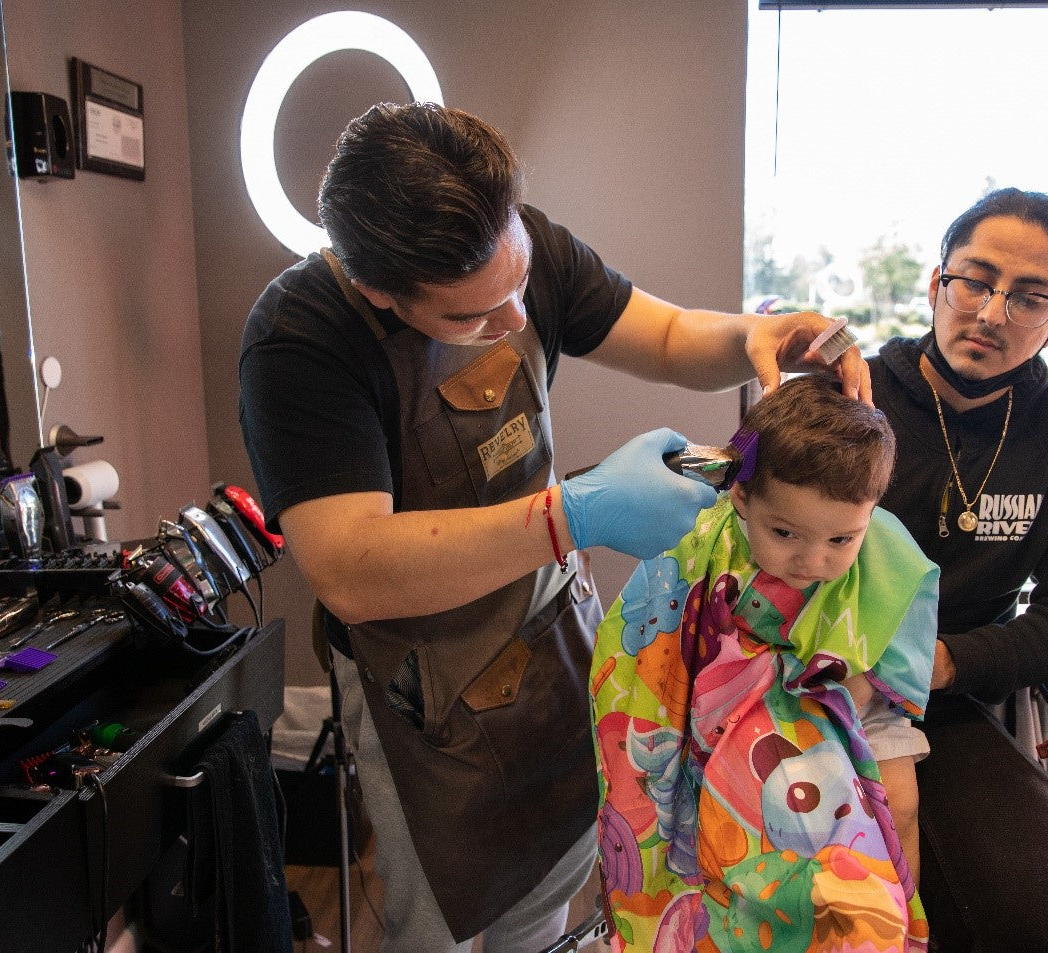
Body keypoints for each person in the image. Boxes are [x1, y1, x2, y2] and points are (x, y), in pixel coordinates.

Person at [238, 102, 868, 953]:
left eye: (519, 285)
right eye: (472, 317)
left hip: (547, 634)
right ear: (377, 288)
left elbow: (674, 336)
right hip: (421, 685)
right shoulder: (301, 339)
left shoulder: (512, 240)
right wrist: (573, 512)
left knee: (552, 885)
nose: (515, 322)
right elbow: (351, 568)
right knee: (437, 926)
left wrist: (757, 334)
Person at [867, 188, 1048, 952]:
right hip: (798, 687)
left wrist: (950, 662)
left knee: (1040, 923)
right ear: (936, 282)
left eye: (1027, 298)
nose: (989, 313)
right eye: (974, 281)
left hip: (950, 700)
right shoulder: (845, 398)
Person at [591, 373, 938, 952]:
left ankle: (890, 930)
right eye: (784, 533)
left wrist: (817, 707)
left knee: (898, 804)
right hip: (714, 718)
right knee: (734, 827)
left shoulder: (890, 561)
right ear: (742, 496)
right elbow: (654, 655)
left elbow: (883, 682)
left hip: (851, 712)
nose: (812, 559)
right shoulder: (702, 543)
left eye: (841, 540)